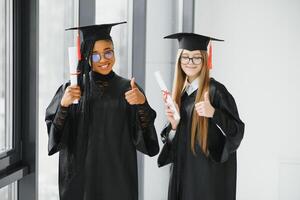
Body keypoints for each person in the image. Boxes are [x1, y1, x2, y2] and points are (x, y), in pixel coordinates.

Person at [45, 22, 159, 200]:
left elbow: (147, 142)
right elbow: (55, 141)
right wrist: (64, 106)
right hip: (80, 182)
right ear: (86, 58)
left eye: (108, 52)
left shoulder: (129, 89)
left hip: (118, 181)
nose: (104, 59)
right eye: (95, 55)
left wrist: (142, 104)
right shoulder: (71, 90)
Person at [157, 32, 245, 200]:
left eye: (196, 57)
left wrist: (214, 113)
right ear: (179, 61)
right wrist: (174, 126)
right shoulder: (180, 96)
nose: (190, 62)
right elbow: (173, 149)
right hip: (184, 176)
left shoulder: (216, 91)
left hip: (207, 179)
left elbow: (237, 132)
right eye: (186, 57)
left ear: (205, 60)